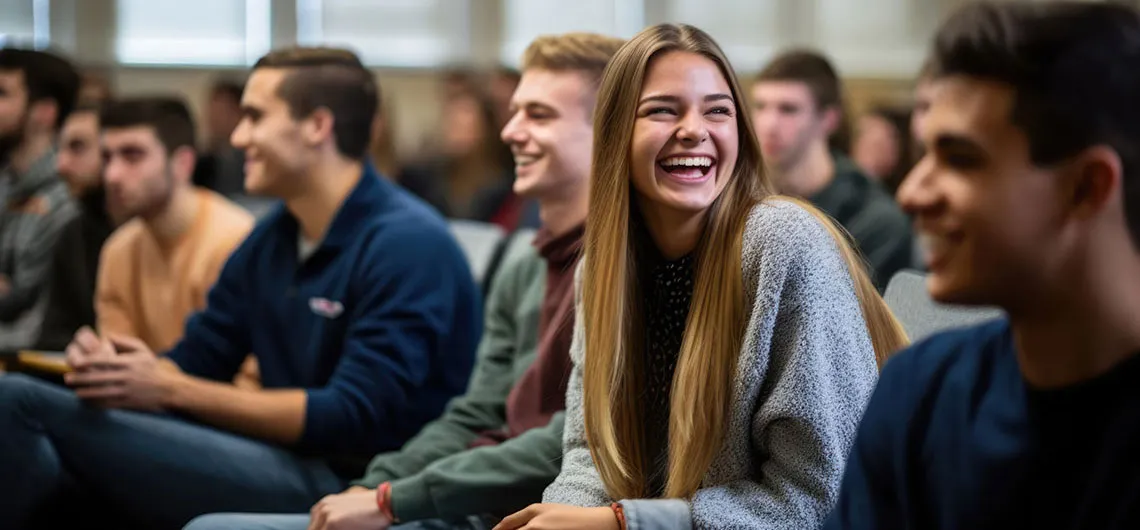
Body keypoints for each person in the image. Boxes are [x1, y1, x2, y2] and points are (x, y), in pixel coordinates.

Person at [0, 46, 483, 530]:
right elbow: (201, 358)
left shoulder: (408, 243)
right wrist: (123, 373)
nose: (237, 135)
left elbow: (351, 416)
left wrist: (173, 387)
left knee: (18, 402)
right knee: (59, 473)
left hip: (357, 483)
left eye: (254, 117)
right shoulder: (274, 237)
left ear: (317, 126)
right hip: (278, 458)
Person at [183, 31, 627, 530]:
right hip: (448, 493)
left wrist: (394, 495)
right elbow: (473, 414)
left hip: (511, 508)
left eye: (539, 115)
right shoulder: (525, 265)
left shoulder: (623, 271)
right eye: (516, 110)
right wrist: (379, 485)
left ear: (609, 131)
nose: (509, 131)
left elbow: (565, 444)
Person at [496, 24, 906, 530]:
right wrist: (565, 517)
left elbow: (817, 500)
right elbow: (589, 455)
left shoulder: (783, 243)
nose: (694, 129)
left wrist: (625, 522)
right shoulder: (602, 269)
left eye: (717, 110)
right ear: (615, 132)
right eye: (663, 110)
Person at [825, 2, 1140, 529]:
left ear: (1086, 188)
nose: (910, 193)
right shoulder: (918, 396)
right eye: (922, 154)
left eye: (960, 159)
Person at [94, 96, 254, 359]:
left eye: (132, 156)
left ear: (182, 164)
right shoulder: (118, 249)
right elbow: (119, 362)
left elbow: (248, 376)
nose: (112, 175)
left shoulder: (235, 241)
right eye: (107, 158)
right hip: (138, 396)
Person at [751, 50, 913, 290]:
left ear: (829, 119)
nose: (769, 124)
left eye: (788, 109)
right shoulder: (741, 198)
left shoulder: (876, 220)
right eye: (760, 106)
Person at [0, 47, 80, 348]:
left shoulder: (67, 198)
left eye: (3, 93)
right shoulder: (7, 182)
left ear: (44, 112)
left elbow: (36, 322)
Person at [33, 102, 117, 351]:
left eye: (77, 147)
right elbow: (50, 336)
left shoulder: (142, 235)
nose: (61, 165)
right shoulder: (74, 232)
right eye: (59, 148)